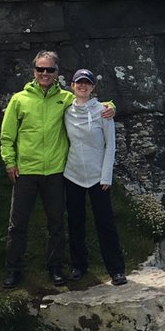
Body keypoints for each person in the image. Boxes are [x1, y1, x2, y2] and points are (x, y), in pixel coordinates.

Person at [0, 50, 114, 289]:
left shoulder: (65, 98)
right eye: (40, 69)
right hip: (26, 170)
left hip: (55, 171)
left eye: (49, 69)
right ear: (34, 71)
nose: (44, 73)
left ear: (57, 73)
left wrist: (111, 106)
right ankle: (14, 269)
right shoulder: (19, 99)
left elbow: (91, 103)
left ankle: (55, 267)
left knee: (56, 223)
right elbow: (7, 135)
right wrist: (10, 161)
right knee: (18, 223)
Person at [64, 68, 127, 286]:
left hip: (98, 177)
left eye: (87, 83)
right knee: (75, 221)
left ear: (93, 88)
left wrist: (106, 177)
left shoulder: (103, 111)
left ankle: (116, 269)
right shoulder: (65, 110)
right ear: (72, 86)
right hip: (72, 174)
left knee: (105, 222)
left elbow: (110, 145)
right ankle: (78, 265)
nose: (83, 86)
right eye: (79, 83)